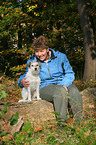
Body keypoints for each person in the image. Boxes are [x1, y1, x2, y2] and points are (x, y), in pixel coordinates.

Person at [18, 35, 83, 123]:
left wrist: (64, 84)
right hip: (44, 87)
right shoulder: (33, 61)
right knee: (59, 92)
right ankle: (62, 124)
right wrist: (21, 81)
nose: (39, 54)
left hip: (62, 82)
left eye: (41, 51)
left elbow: (69, 73)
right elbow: (26, 75)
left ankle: (81, 122)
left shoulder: (60, 57)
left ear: (47, 49)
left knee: (74, 91)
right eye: (37, 51)